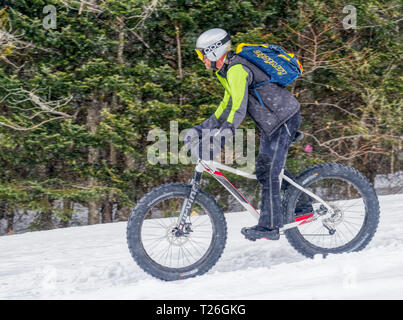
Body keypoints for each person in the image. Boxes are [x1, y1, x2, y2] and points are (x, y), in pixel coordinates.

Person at [187, 28, 302, 241]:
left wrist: (221, 138)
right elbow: (226, 106)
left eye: (202, 55)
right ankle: (302, 205)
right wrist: (199, 130)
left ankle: (270, 226)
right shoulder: (228, 71)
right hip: (272, 124)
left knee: (269, 173)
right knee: (265, 169)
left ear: (213, 52)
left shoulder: (237, 69)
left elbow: (238, 110)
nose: (201, 60)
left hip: (285, 119)